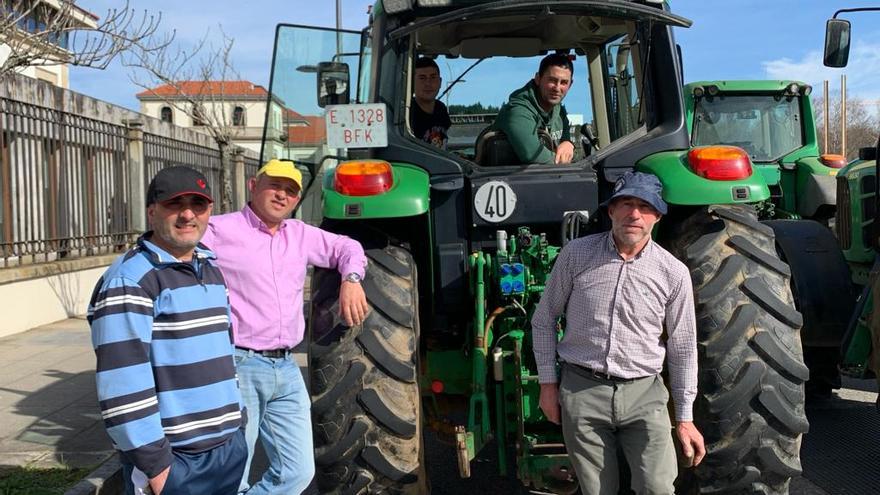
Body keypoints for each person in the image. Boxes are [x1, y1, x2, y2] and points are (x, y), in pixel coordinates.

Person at [200, 159, 370, 495]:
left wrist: (351, 278)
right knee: (234, 469)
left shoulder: (300, 234)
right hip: (239, 364)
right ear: (253, 185)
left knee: (298, 471)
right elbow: (173, 249)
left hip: (287, 368)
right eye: (275, 186)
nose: (282, 195)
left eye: (291, 190)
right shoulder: (219, 231)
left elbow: (347, 246)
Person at [531, 171, 705, 494]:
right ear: (611, 210)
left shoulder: (673, 274)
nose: (634, 214)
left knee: (657, 488)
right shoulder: (576, 256)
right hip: (583, 393)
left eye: (644, 206)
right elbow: (544, 320)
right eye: (626, 203)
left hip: (645, 396)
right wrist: (547, 385)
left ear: (657, 215)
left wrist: (684, 418)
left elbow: (682, 349)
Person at [88, 166, 247, 495]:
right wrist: (157, 467)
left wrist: (238, 424)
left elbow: (223, 356)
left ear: (210, 212)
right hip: (176, 462)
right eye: (175, 204)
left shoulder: (210, 269)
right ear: (152, 212)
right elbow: (121, 383)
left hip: (226, 449)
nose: (188, 214)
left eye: (198, 204)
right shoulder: (131, 280)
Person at [490, 53, 575, 164]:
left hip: (545, 178)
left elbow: (565, 134)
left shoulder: (558, 110)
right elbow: (532, 155)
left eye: (563, 82)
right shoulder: (518, 111)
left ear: (570, 85)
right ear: (538, 79)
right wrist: (566, 164)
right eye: (552, 80)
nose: (557, 88)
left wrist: (568, 143)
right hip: (506, 178)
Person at [410, 56, 452, 148]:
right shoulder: (407, 112)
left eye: (433, 77)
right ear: (412, 83)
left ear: (440, 82)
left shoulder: (441, 109)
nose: (428, 83)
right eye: (422, 78)